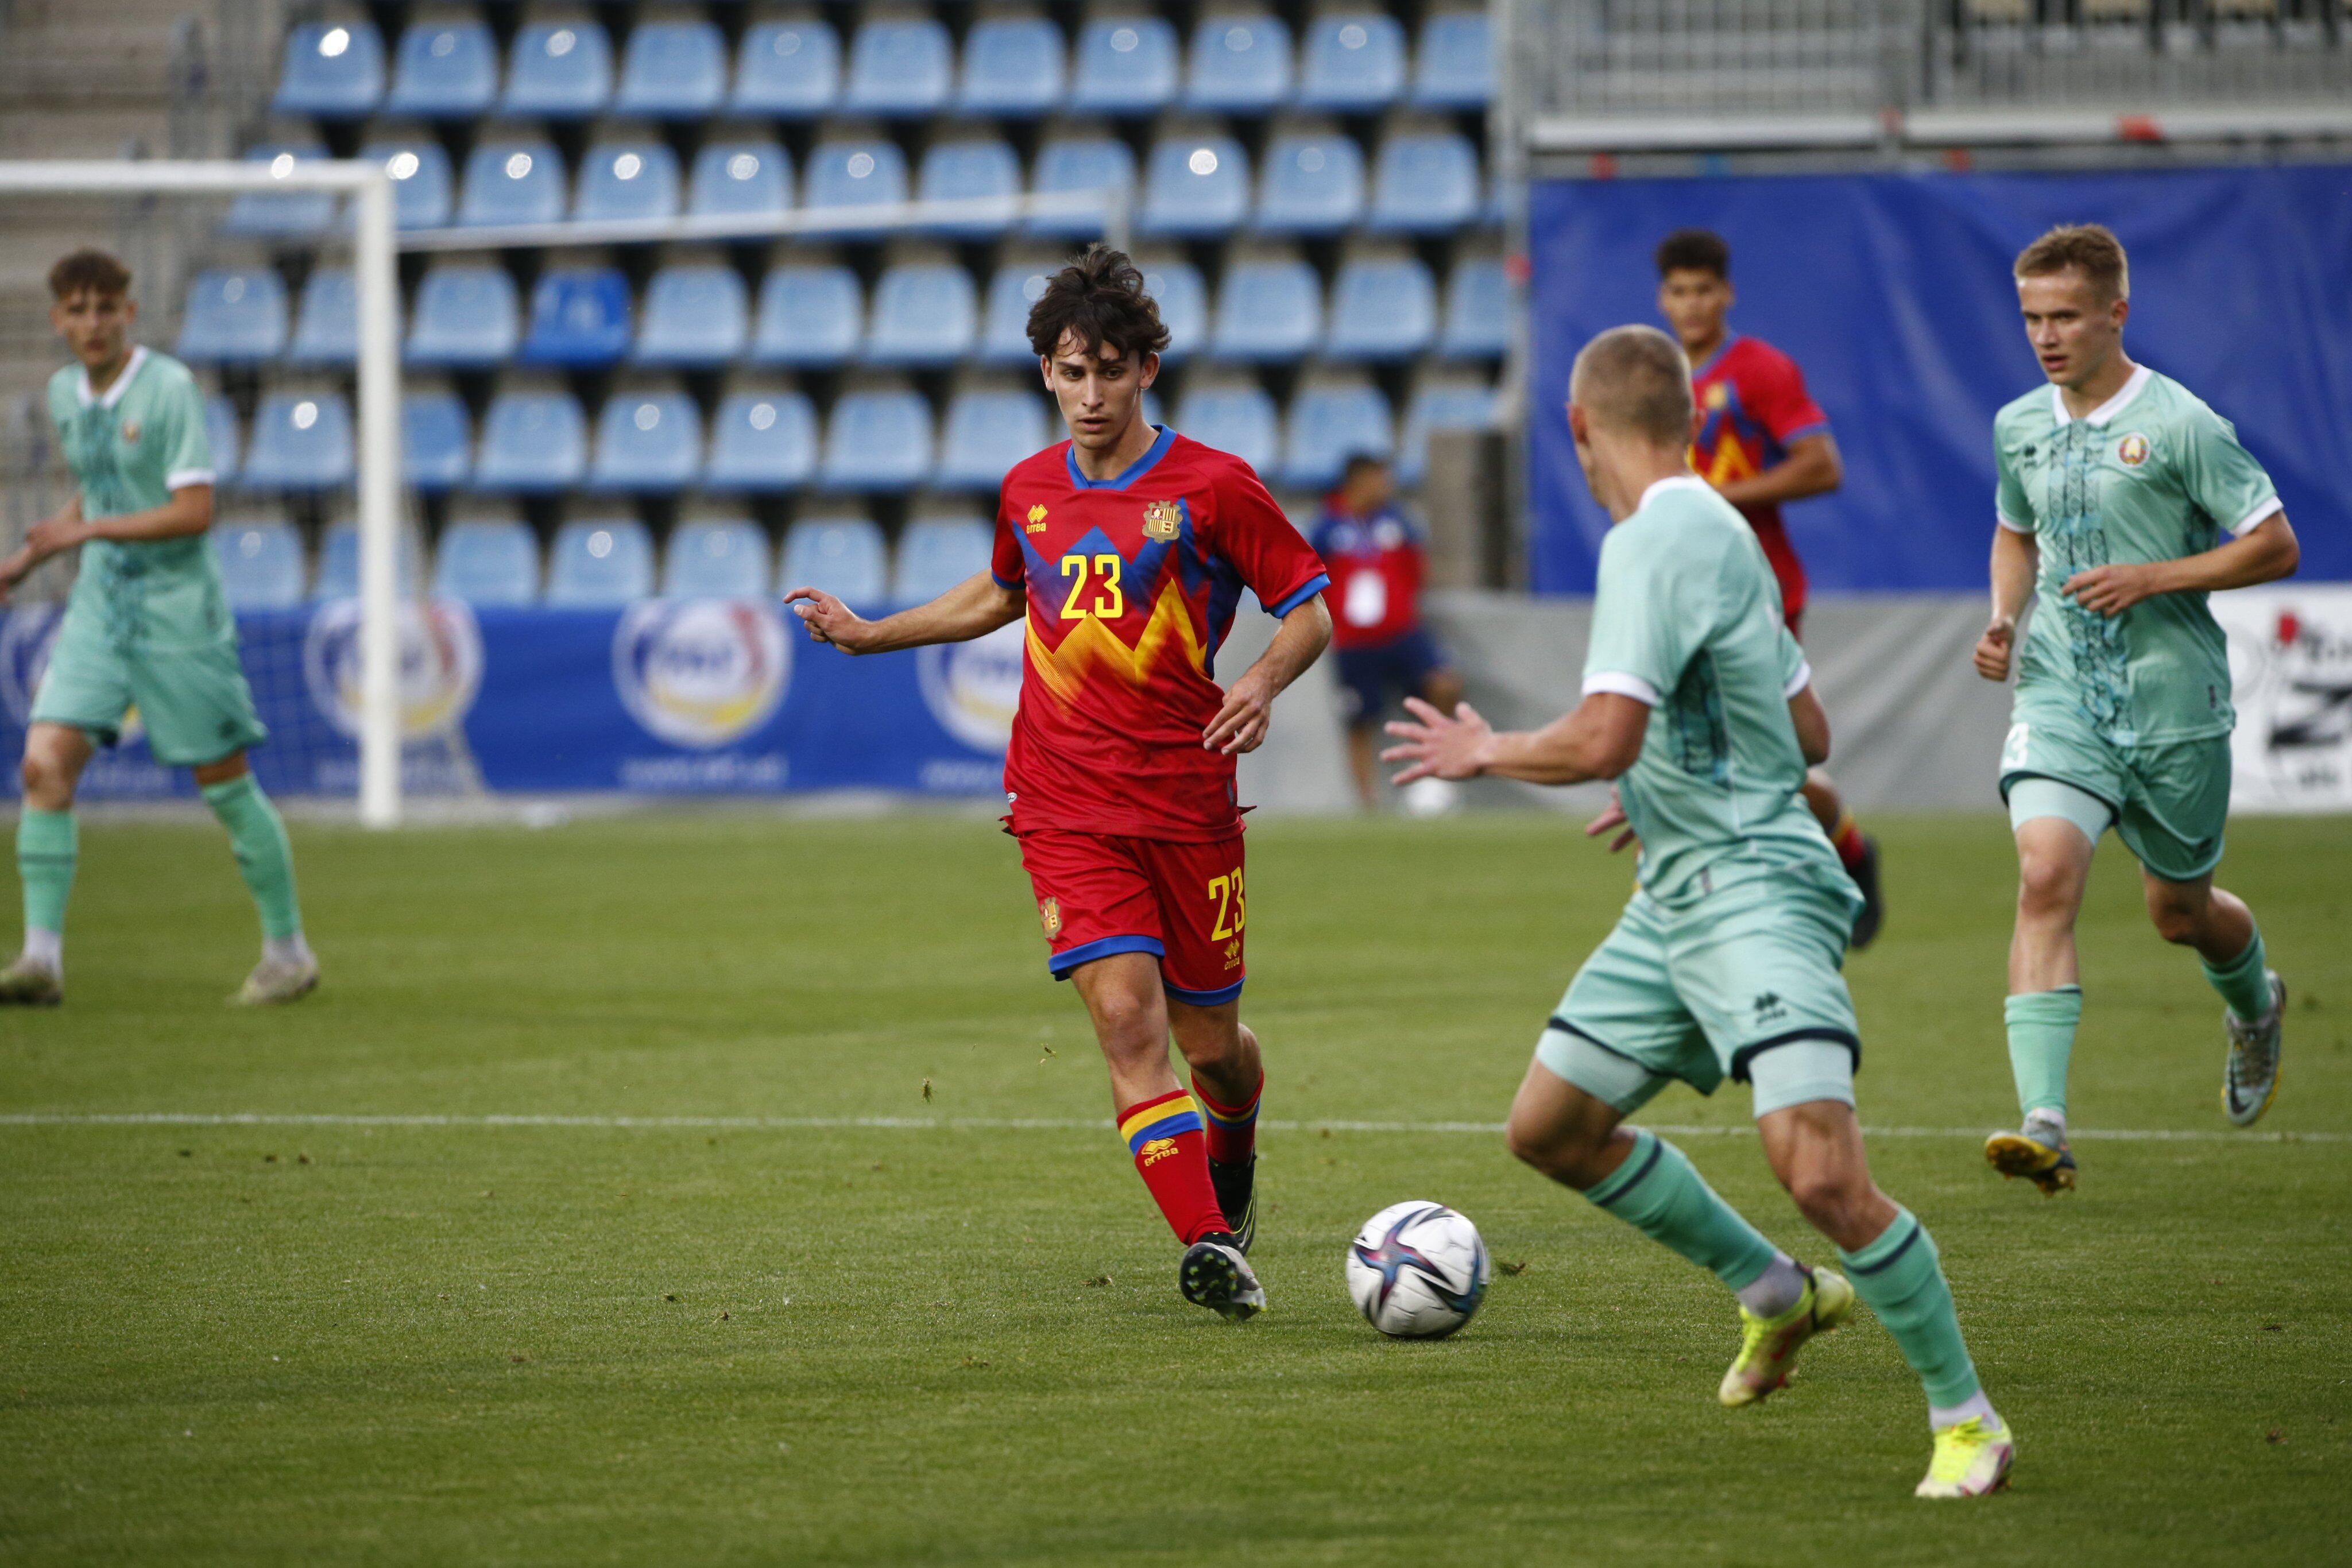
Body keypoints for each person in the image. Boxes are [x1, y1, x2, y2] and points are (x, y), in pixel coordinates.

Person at [1384, 324, 2011, 1499]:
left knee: (1820, 1173)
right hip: (1676, 889)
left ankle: (1967, 1419)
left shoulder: (1650, 539)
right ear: (1687, 418)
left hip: (1757, 889)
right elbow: (1807, 729)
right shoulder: (1722, 529)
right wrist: (1676, 779)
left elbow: (1601, 737)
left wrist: (1487, 749)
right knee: (1551, 1127)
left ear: (1578, 428)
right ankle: (1776, 1291)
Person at [784, 248, 1333, 1321]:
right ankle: (1210, 1243)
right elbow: (1002, 595)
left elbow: (1306, 609)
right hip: (1062, 800)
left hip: (1186, 799)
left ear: (1148, 371)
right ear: (1046, 372)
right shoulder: (1028, 489)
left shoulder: (1215, 487)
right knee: (1128, 1022)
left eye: (1110, 372)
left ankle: (1233, 1152)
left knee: (1213, 1049)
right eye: (1072, 373)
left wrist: (1263, 677)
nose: (1091, 394)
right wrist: (872, 633)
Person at [1974, 224, 2296, 1192]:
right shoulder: (2017, 423)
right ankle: (2044, 1121)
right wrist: (2004, 617)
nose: (2046, 335)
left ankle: (2255, 1003)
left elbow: (2274, 544)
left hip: (2172, 702)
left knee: (2178, 911)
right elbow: (2014, 530)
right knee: (2044, 876)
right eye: (2032, 317)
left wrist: (2153, 576)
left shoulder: (2183, 422)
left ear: (2116, 312)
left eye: (2066, 316)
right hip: (2061, 689)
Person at [0, 249, 317, 1008]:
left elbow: (193, 511)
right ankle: (40, 960)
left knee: (225, 784)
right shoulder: (64, 393)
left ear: (129, 313)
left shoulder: (169, 388)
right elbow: (101, 486)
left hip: (178, 609)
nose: (93, 323)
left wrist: (84, 533)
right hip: (101, 607)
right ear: (59, 320)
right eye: (78, 311)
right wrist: (28, 558)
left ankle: (288, 953)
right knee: (44, 766)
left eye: (106, 308)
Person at [1655, 229, 1884, 946]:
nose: (1692, 304)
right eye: (1679, 291)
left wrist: (1720, 497)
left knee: (1762, 758)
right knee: (1699, 752)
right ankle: (1763, 881)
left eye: (1703, 290)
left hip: (1758, 587)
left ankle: (1840, 855)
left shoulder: (1759, 369)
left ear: (1726, 294)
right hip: (1678, 591)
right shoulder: (1653, 374)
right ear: (1662, 298)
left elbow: (1821, 465)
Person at [1308, 452, 1463, 810]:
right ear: (1358, 480)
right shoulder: (1327, 526)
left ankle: (1436, 777)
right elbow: (1311, 577)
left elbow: (1416, 568)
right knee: (1359, 719)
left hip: (1402, 631)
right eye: (1379, 478)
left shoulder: (1396, 520)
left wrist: (1403, 603)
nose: (1386, 486)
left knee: (1443, 685)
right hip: (1354, 641)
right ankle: (1368, 803)